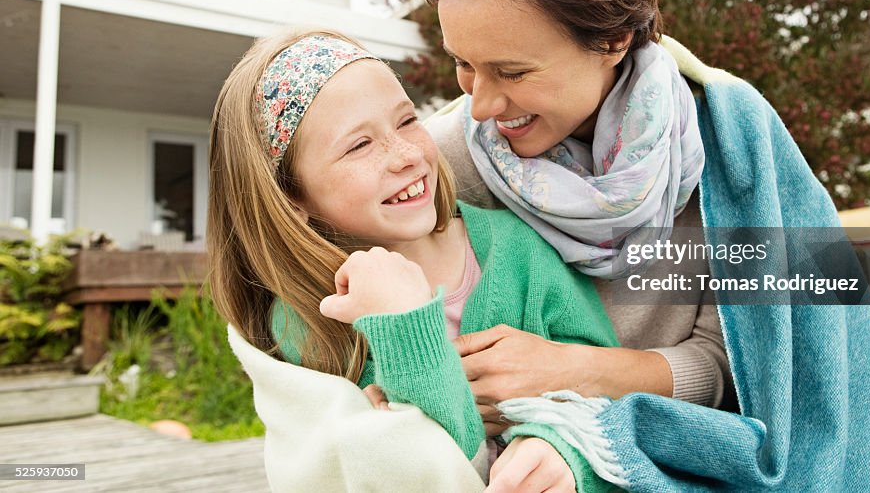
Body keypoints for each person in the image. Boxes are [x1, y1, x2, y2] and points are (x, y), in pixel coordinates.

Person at [419, 0, 870, 491]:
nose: (480, 105)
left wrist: (572, 372)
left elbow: (755, 370)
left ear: (613, 38)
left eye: (511, 71)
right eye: (463, 65)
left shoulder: (727, 142)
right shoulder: (446, 165)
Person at [207, 28, 623, 493]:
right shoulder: (307, 323)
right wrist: (408, 326)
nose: (406, 155)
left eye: (406, 121)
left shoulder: (520, 249)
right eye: (358, 146)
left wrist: (561, 449)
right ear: (291, 195)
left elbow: (612, 404)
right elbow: (437, 471)